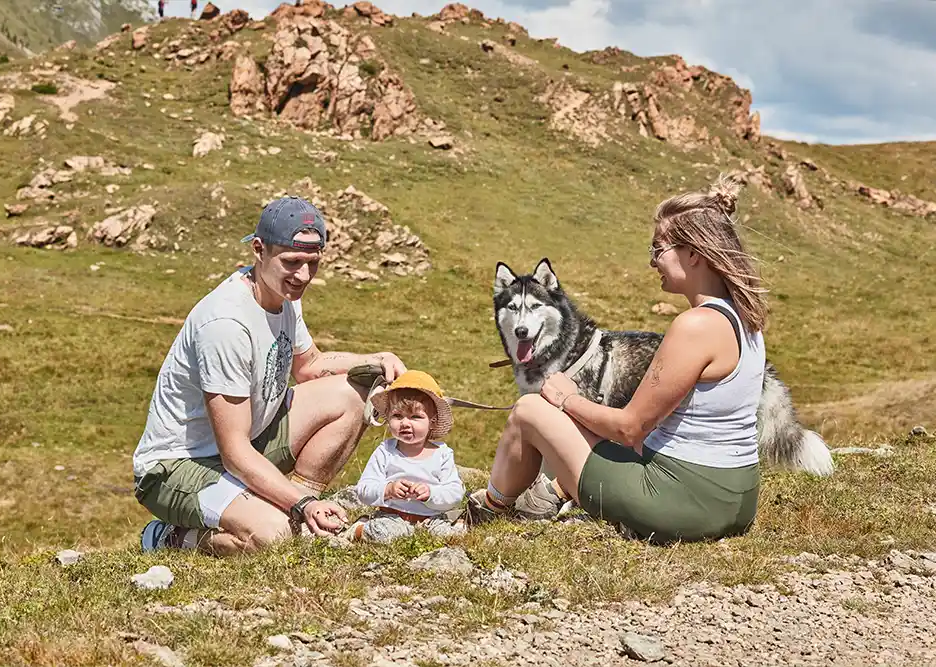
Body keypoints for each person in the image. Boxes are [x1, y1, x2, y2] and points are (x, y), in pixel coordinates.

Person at [466, 174, 765, 544]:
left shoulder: (695, 325)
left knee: (528, 410)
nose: (652, 261)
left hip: (685, 504)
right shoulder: (743, 317)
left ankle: (491, 507)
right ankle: (541, 497)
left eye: (659, 249)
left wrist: (565, 399)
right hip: (736, 497)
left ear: (694, 253)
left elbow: (629, 428)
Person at [133, 196, 406, 555]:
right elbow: (233, 451)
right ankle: (168, 537)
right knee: (272, 536)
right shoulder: (227, 324)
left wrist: (377, 359)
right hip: (178, 465)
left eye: (313, 263)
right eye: (292, 262)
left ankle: (300, 515)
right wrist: (299, 504)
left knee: (351, 395)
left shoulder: (283, 296)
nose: (304, 276)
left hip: (247, 440)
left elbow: (309, 367)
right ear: (258, 250)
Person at [349, 371, 466, 542]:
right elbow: (364, 489)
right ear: (388, 417)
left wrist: (431, 493)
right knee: (387, 534)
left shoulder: (442, 454)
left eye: (415, 417)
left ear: (432, 421)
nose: (405, 423)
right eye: (397, 416)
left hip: (431, 518)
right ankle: (360, 529)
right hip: (392, 517)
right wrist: (387, 490)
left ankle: (455, 524)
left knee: (446, 537)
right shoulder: (386, 451)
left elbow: (454, 492)